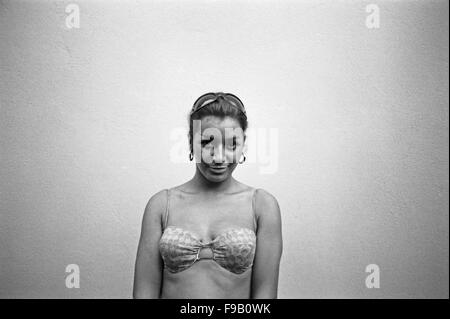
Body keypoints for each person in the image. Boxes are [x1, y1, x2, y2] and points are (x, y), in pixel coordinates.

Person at [133, 92, 282, 298]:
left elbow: (264, 297)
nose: (219, 157)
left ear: (243, 144)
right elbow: (144, 293)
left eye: (231, 144)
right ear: (190, 142)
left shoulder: (262, 206)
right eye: (206, 143)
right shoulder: (161, 205)